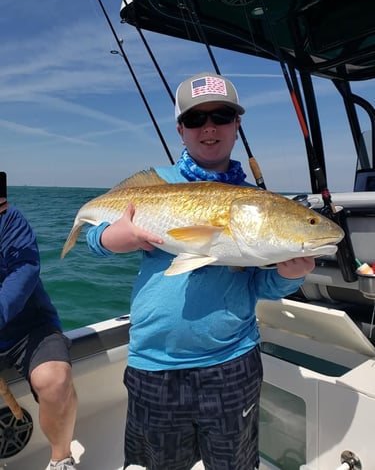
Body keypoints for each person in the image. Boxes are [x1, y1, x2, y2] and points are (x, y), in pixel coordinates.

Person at [86, 72, 315, 470]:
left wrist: (290, 274)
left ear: (236, 125)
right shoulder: (154, 186)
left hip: (232, 362)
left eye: (222, 116)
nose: (209, 127)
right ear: (181, 129)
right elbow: (97, 240)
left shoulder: (257, 202)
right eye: (195, 119)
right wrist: (109, 240)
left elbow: (263, 282)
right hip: (153, 363)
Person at [0, 194, 77, 470]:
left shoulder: (8, 218)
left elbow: (25, 272)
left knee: (54, 380)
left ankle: (61, 458)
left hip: (30, 329)